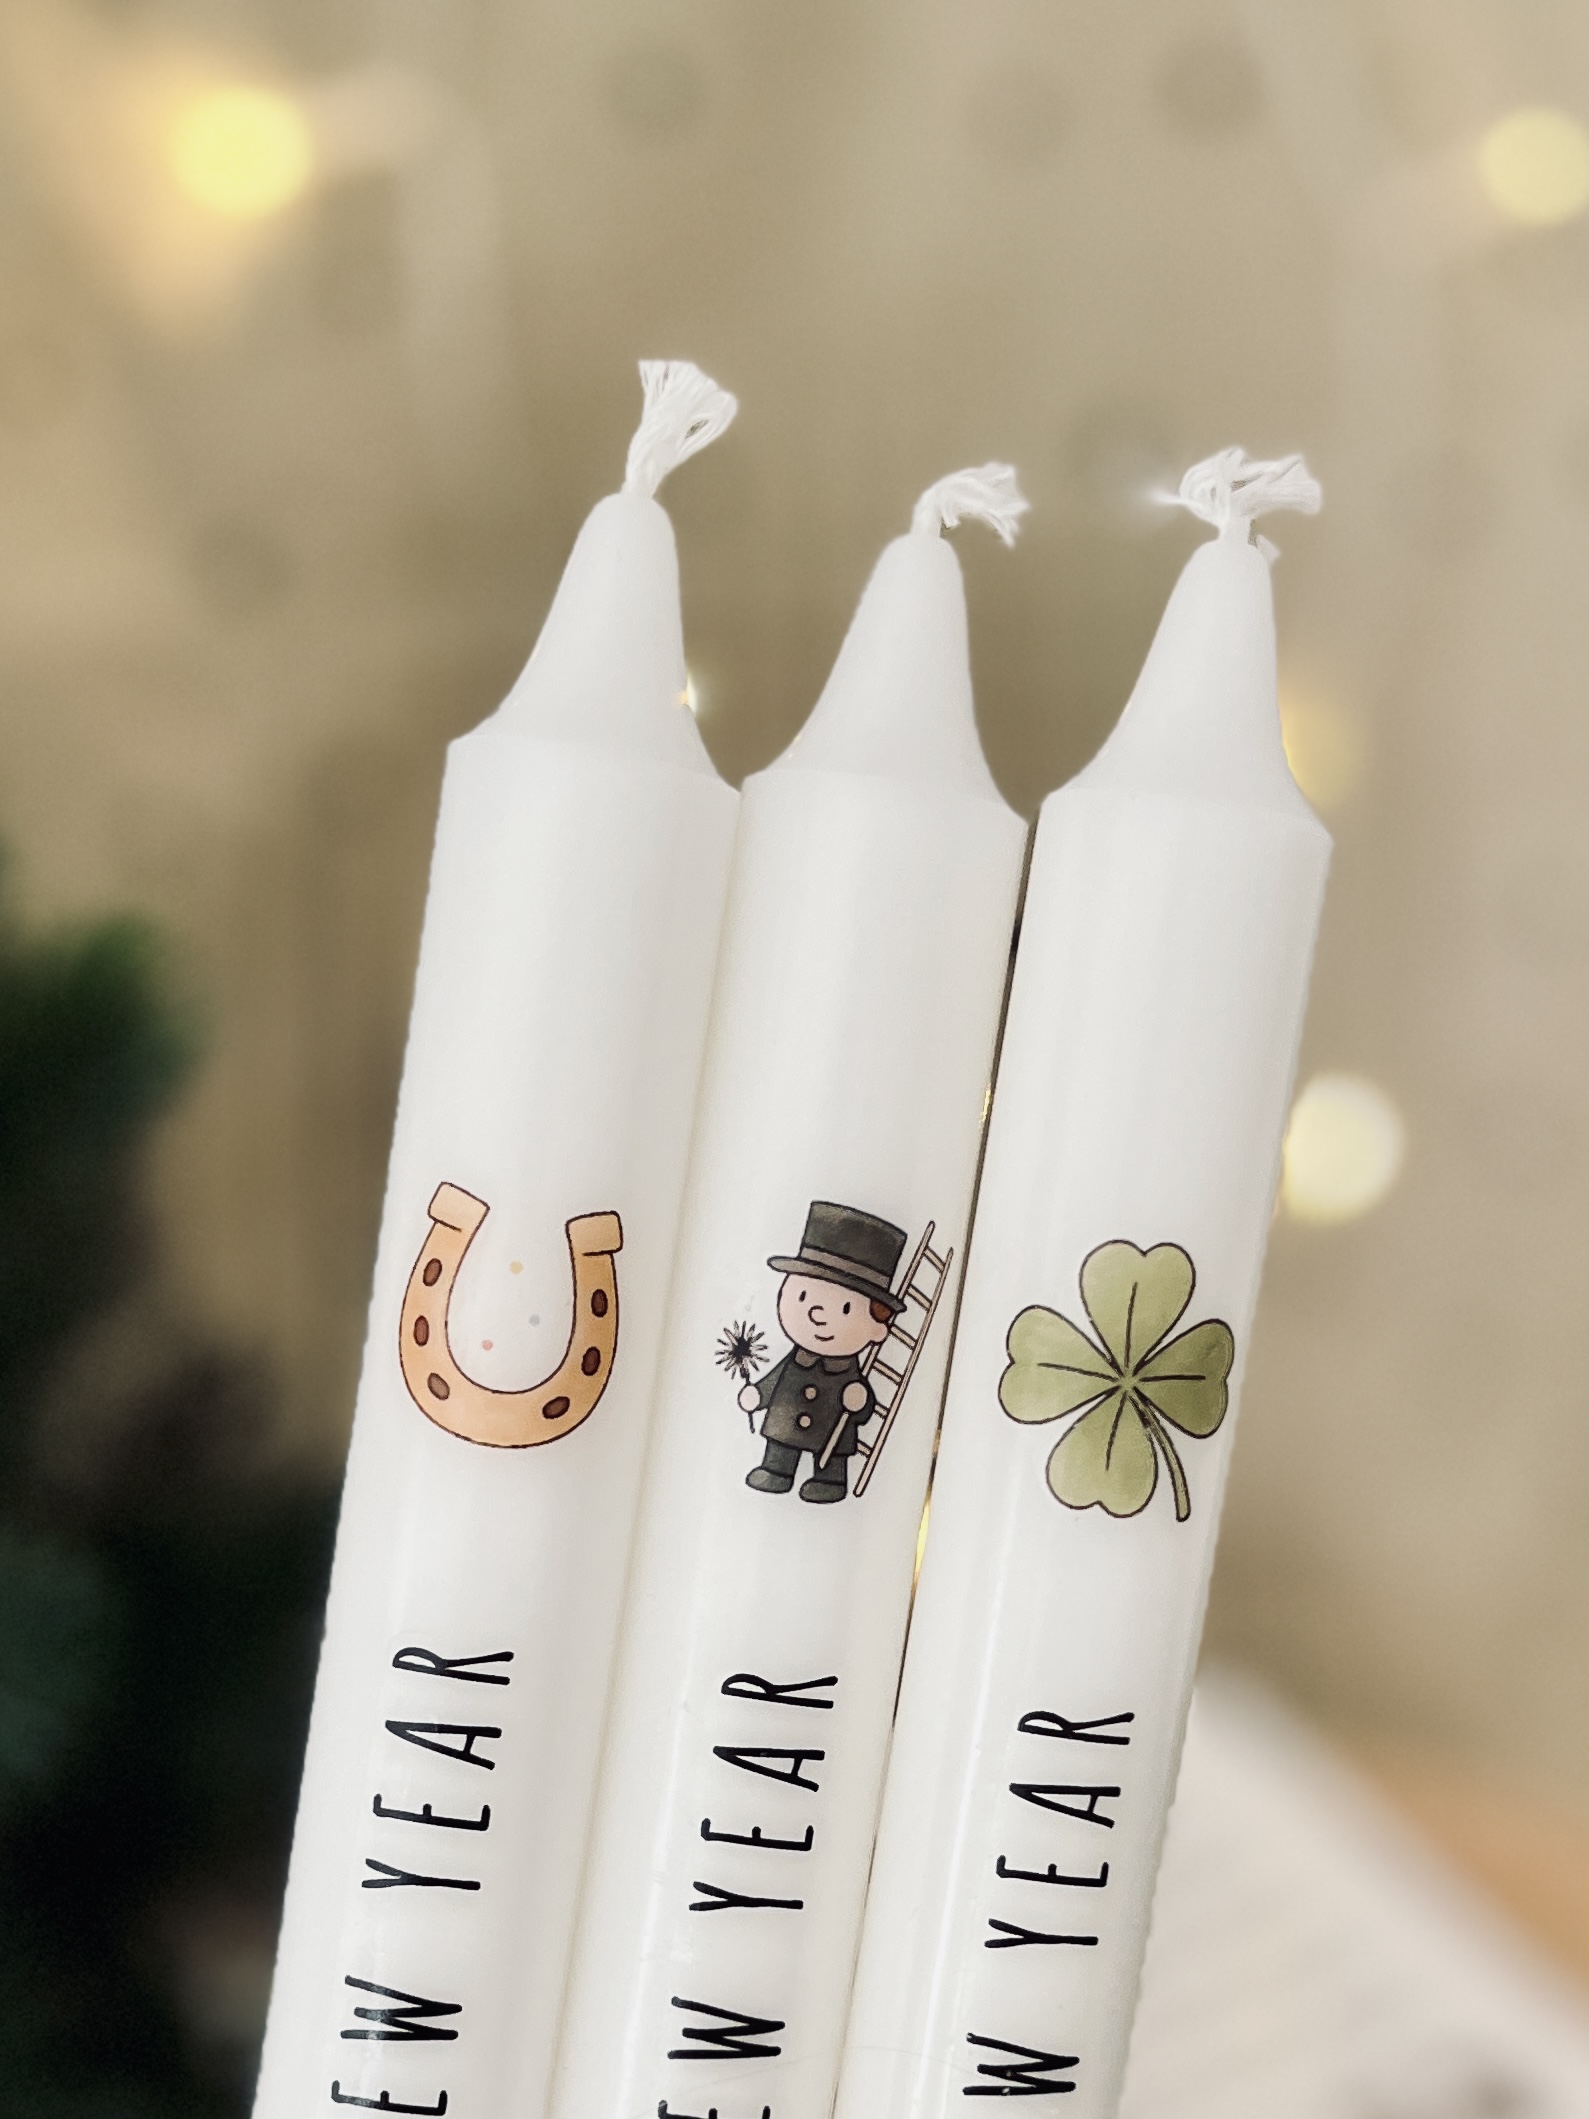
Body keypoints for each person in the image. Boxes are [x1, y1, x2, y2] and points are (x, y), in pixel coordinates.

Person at [740, 1200, 906, 1504]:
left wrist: (860, 1401)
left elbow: (862, 1408)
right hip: (786, 1422)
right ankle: (776, 1470)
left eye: (846, 1308)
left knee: (834, 1448)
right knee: (781, 1438)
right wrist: (758, 1395)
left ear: (877, 1328)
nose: (817, 1314)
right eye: (803, 1296)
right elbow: (774, 1380)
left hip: (832, 1427)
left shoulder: (848, 1371)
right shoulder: (796, 1360)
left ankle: (829, 1480)